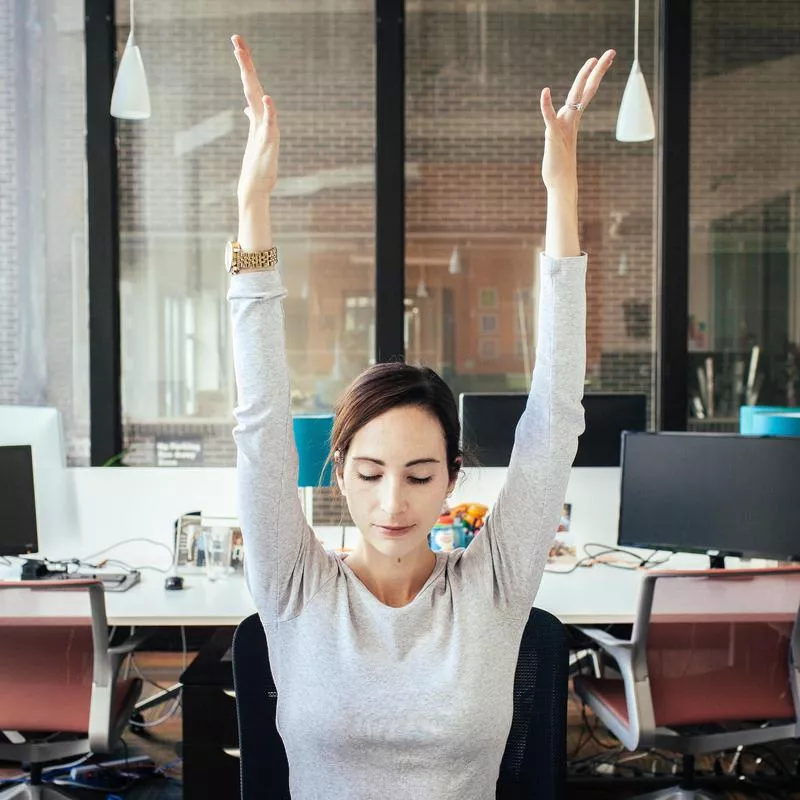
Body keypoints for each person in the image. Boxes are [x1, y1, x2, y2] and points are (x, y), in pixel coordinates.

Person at [227, 33, 614, 800]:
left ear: (452, 480)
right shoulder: (295, 586)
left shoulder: (493, 591)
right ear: (339, 474)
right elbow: (260, 418)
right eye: (369, 473)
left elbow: (554, 419)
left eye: (418, 473)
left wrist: (561, 195)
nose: (393, 501)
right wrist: (252, 209)